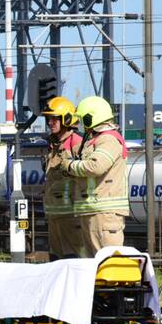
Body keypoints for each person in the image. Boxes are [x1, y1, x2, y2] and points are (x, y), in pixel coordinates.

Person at [62, 96, 129, 255]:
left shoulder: (108, 139)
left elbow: (96, 166)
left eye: (82, 120)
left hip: (104, 213)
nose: (80, 125)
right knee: (93, 265)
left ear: (90, 118)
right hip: (93, 210)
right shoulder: (96, 140)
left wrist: (70, 165)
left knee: (107, 262)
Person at [41, 96, 84, 259]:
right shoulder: (53, 145)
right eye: (48, 119)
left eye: (54, 119)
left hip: (72, 215)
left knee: (73, 260)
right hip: (55, 214)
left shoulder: (77, 143)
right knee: (56, 261)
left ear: (66, 119)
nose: (50, 123)